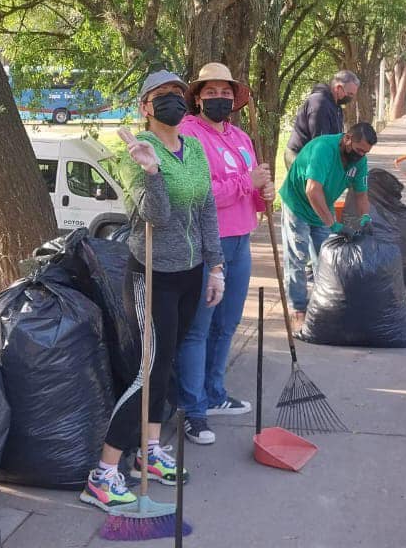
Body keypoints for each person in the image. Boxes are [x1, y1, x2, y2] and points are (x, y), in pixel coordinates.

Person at [80, 70, 223, 514]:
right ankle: (103, 473)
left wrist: (216, 266)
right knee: (148, 371)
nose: (174, 103)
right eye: (162, 97)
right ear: (146, 107)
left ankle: (149, 451)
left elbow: (206, 209)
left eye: (178, 95)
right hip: (152, 275)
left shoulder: (195, 147)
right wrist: (151, 169)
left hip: (191, 272)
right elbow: (155, 217)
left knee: (165, 366)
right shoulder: (134, 154)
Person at [175, 63, 274, 445]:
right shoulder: (188, 135)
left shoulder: (241, 137)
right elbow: (197, 195)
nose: (220, 99)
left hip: (241, 241)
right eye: (211, 93)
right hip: (205, 244)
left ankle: (215, 394)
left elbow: (250, 188)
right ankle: (194, 410)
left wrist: (263, 194)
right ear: (198, 98)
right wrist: (243, 183)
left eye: (226, 93)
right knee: (198, 329)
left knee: (227, 324)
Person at [278, 122, 377, 322]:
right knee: (298, 255)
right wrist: (333, 224)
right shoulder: (323, 149)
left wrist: (365, 217)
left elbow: (361, 195)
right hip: (297, 204)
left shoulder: (359, 162)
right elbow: (312, 189)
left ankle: (322, 303)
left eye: (365, 152)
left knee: (325, 257)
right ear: (347, 138)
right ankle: (298, 307)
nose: (360, 155)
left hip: (323, 205)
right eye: (358, 150)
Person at [283, 70, 360, 166]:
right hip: (300, 155)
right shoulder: (320, 103)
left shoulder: (336, 105)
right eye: (350, 94)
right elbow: (320, 141)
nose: (351, 98)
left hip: (315, 154)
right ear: (338, 88)